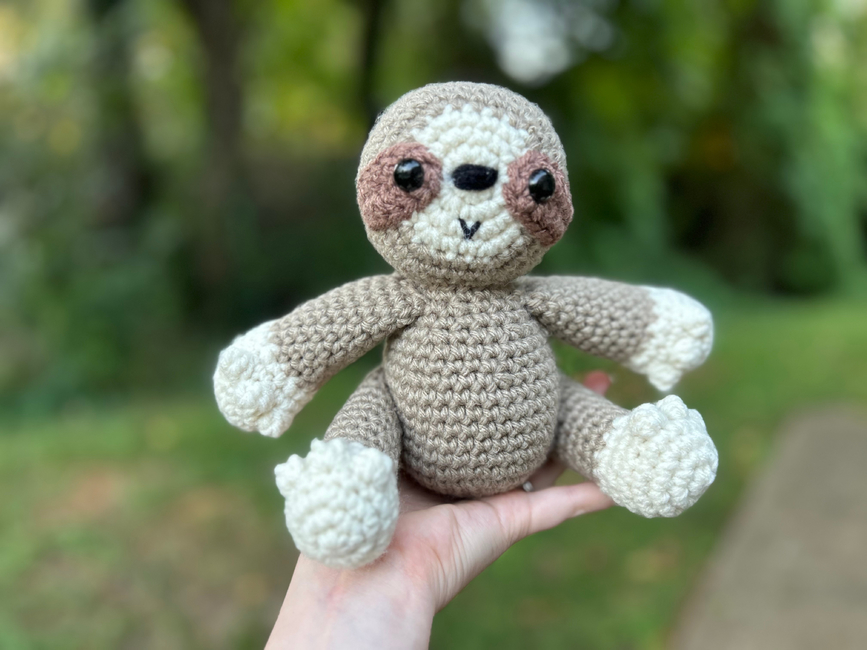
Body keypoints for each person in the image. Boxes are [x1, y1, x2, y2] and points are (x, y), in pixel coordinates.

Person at [267, 372, 614, 650]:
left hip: (533, 399)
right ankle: (344, 485)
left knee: (566, 403)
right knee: (372, 413)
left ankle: (622, 443)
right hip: (401, 398)